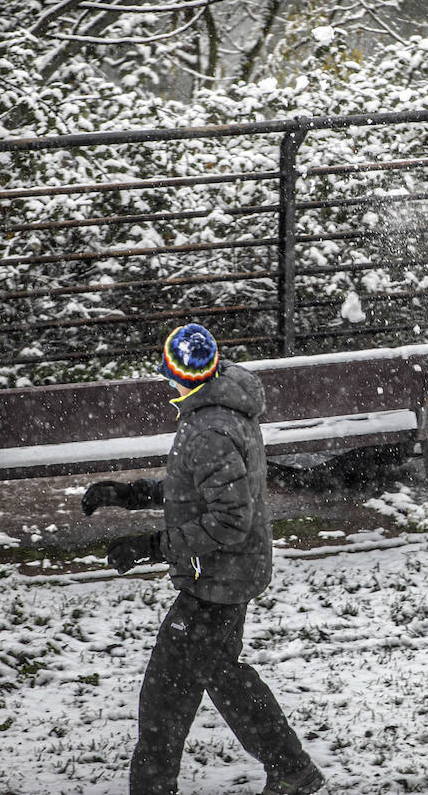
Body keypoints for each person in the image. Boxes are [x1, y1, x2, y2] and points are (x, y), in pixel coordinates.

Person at [84, 322, 325, 795]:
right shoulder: (220, 411)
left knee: (166, 692)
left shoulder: (208, 429)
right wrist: (128, 494)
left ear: (181, 377)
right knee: (219, 674)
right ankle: (292, 769)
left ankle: (157, 787)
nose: (166, 383)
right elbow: (195, 493)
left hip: (219, 577)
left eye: (167, 375)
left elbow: (230, 520)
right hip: (229, 572)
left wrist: (152, 546)